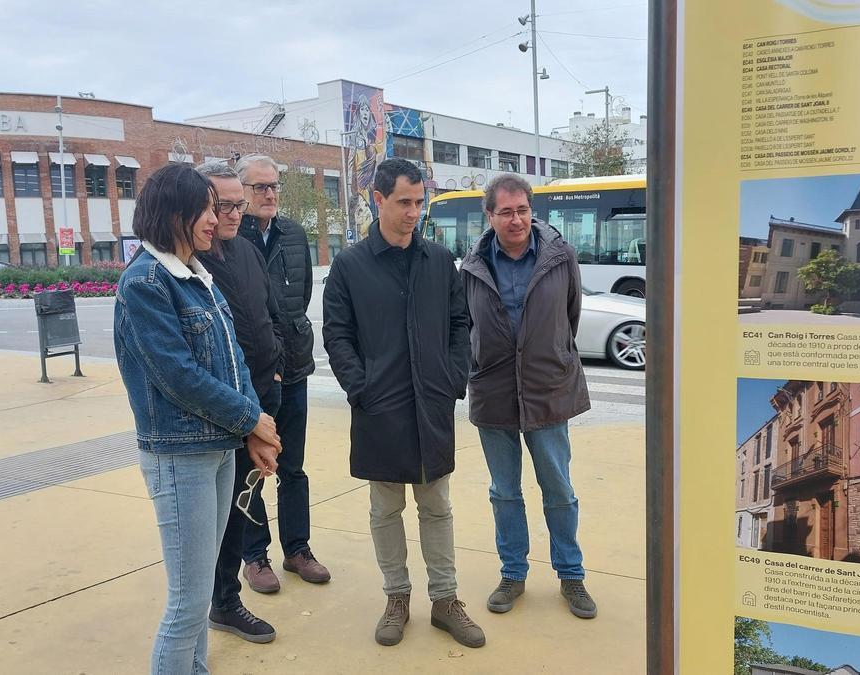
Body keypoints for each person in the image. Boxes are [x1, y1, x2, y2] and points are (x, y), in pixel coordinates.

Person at [114, 163, 281, 674]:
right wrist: (252, 420)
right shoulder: (145, 281)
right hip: (179, 455)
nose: (217, 219)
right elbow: (178, 375)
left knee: (201, 582)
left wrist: (250, 425)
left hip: (216, 449)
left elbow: (232, 360)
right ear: (176, 214)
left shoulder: (199, 276)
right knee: (188, 602)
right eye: (207, 209)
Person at [323, 158, 482, 648]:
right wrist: (361, 387)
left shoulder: (439, 261)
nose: (415, 212)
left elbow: (461, 324)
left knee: (437, 505)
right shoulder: (350, 265)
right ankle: (396, 597)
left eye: (420, 202)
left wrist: (454, 378)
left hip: (431, 404)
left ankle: (445, 600)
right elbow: (337, 335)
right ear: (379, 199)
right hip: (380, 408)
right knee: (385, 508)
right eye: (404, 202)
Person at [459, 173, 597, 619]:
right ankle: (513, 574)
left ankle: (571, 576)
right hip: (493, 390)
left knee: (558, 488)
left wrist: (553, 355)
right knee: (504, 491)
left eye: (522, 209)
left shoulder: (560, 257)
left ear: (531, 210)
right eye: (506, 211)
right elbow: (464, 327)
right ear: (490, 215)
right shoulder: (472, 265)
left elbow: (569, 317)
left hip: (548, 389)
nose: (516, 219)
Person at [193, 160, 284, 644]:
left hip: (262, 396)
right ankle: (222, 600)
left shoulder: (246, 252)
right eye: (221, 204)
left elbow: (267, 315)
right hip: (222, 411)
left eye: (237, 204)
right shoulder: (191, 263)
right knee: (219, 515)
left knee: (244, 502)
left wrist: (277, 369)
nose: (231, 214)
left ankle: (226, 599)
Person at [234, 154, 330, 592]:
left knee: (293, 465)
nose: (270, 194)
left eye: (274, 186)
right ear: (241, 192)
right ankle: (254, 556)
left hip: (294, 365)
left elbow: (301, 295)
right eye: (260, 188)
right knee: (253, 466)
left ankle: (298, 549)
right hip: (251, 374)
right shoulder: (232, 236)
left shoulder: (293, 234)